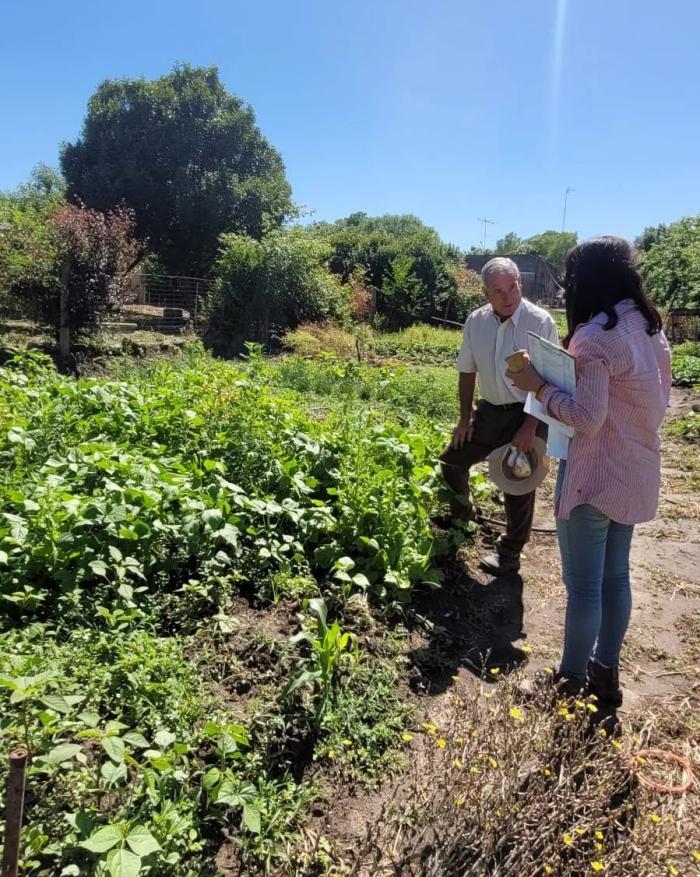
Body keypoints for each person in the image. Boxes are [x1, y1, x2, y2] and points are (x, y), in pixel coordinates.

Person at [508, 236, 671, 705]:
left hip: (594, 477)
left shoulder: (596, 336)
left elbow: (587, 416)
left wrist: (537, 386)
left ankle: (569, 679)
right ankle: (605, 671)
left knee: (583, 587)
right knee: (615, 578)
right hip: (635, 470)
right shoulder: (649, 328)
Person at [440, 257, 559, 575]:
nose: (508, 297)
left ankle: (510, 553)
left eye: (513, 287)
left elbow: (552, 380)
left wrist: (530, 426)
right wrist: (465, 418)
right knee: (452, 461)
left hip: (528, 410)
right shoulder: (475, 322)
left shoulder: (540, 322)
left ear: (520, 284)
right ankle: (462, 522)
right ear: (485, 293)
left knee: (518, 481)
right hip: (490, 411)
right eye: (499, 291)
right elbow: (466, 371)